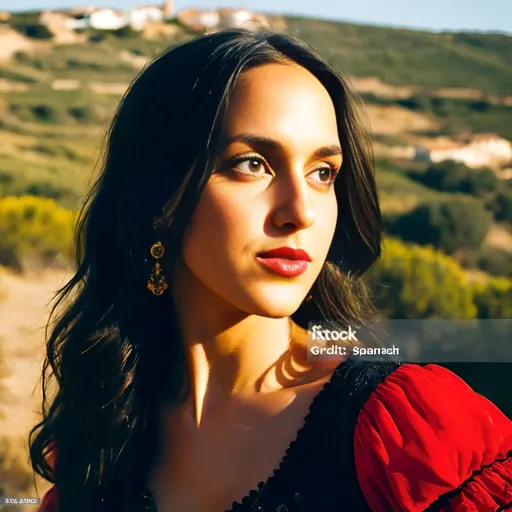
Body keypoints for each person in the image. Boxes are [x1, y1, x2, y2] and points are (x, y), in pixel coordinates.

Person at [31, 28, 512, 512]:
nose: (300, 211)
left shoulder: (402, 436)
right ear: (157, 197)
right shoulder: (102, 435)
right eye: (253, 163)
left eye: (322, 172)